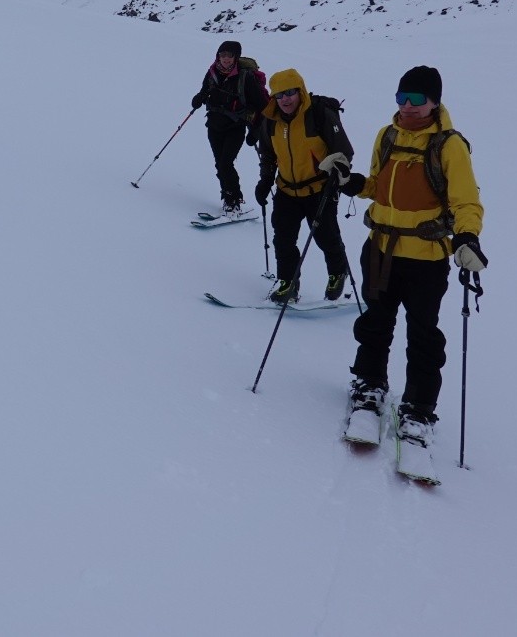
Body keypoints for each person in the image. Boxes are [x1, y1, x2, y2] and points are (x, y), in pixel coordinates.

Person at [341, 65, 487, 451]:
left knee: (423, 334)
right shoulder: (386, 135)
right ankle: (369, 386)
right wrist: (354, 184)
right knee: (375, 322)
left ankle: (419, 409)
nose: (407, 106)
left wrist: (467, 237)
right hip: (380, 248)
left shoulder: (449, 145)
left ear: (434, 102)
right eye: (401, 98)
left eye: (417, 99)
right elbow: (377, 186)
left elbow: (466, 200)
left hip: (425, 257)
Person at [253, 69, 356, 305]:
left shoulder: (318, 115)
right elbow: (268, 154)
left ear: (300, 91)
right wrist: (265, 180)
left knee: (326, 236)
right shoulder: (271, 121)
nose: (285, 100)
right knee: (283, 239)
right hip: (286, 190)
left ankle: (338, 272)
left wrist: (338, 174)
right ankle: (288, 282)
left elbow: (344, 152)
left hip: (319, 189)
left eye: (290, 93)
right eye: (279, 95)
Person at [190, 41, 268, 218]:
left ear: (236, 57)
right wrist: (199, 97)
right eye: (222, 55)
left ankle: (234, 200)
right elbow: (205, 90)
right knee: (220, 164)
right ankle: (227, 196)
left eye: (229, 55)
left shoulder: (245, 77)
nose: (225, 59)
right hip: (214, 125)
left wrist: (255, 131)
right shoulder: (212, 72)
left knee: (226, 163)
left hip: (235, 127)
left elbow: (262, 106)